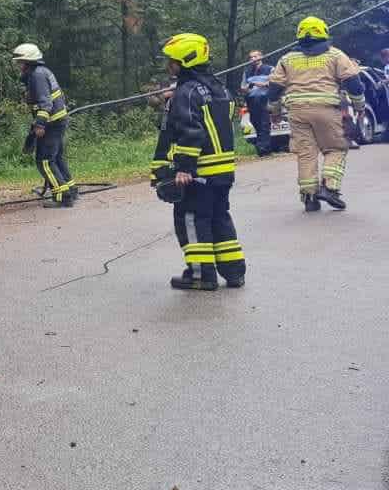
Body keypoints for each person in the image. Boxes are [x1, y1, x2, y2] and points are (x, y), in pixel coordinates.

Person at [151, 34, 244, 291]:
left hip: (198, 173)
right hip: (223, 171)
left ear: (184, 62)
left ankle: (201, 275)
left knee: (192, 220)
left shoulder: (187, 92)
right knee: (219, 218)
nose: (169, 66)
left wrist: (184, 168)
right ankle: (234, 272)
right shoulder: (221, 89)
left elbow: (191, 131)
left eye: (172, 61)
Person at [266, 16, 366, 212]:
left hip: (297, 112)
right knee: (336, 148)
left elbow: (274, 89)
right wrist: (359, 106)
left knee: (306, 153)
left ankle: (309, 197)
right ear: (324, 33)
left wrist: (275, 112)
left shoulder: (286, 59)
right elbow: (353, 83)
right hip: (326, 110)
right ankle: (330, 188)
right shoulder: (335, 55)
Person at [12, 43, 76, 207]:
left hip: (51, 123)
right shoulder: (42, 72)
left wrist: (40, 124)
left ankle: (62, 197)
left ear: (29, 61)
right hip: (56, 121)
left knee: (45, 161)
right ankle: (70, 190)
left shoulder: (37, 76)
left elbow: (45, 103)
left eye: (20, 62)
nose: (18, 65)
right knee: (57, 158)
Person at [240, 50, 275, 156]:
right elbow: (243, 87)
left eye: (255, 56)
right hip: (251, 100)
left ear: (261, 57)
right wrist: (246, 88)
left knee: (264, 123)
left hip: (264, 99)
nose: (253, 59)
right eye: (251, 57)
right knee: (255, 122)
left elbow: (275, 82)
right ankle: (261, 147)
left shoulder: (269, 69)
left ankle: (264, 148)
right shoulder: (247, 71)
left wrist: (263, 84)